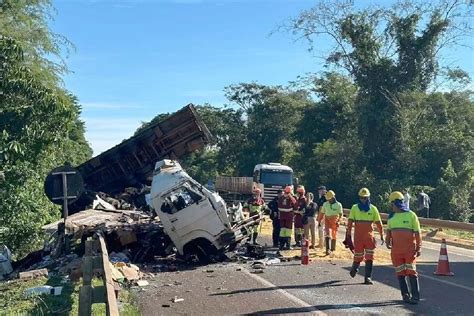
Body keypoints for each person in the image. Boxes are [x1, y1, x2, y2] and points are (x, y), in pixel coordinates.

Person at [386, 191, 422, 304]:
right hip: (396, 251)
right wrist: (387, 241)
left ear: (396, 203)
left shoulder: (411, 215)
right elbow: (389, 232)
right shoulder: (391, 218)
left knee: (411, 272)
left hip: (409, 251)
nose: (390, 207)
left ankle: (415, 296)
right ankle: (405, 295)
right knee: (400, 273)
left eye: (391, 204)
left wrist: (419, 247)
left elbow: (417, 233)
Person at [346, 187, 384, 285]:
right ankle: (355, 268)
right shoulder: (354, 208)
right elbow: (349, 222)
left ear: (368, 198)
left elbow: (379, 224)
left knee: (369, 257)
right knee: (358, 255)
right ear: (359, 198)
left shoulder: (373, 209)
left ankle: (367, 277)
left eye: (365, 198)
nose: (363, 199)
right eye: (362, 197)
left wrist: (382, 235)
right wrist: (348, 234)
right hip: (358, 237)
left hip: (369, 238)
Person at [319, 190, 343, 255]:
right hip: (327, 219)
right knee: (327, 233)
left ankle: (333, 248)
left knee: (334, 234)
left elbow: (340, 214)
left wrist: (339, 221)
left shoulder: (338, 205)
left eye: (329, 199)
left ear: (333, 198)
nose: (328, 200)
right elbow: (322, 213)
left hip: (335, 220)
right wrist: (319, 220)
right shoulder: (325, 204)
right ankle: (327, 249)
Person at [278, 186, 298, 250]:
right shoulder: (292, 198)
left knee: (282, 230)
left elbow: (279, 206)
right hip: (289, 216)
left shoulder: (281, 197)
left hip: (282, 216)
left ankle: (281, 245)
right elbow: (296, 206)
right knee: (288, 231)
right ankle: (288, 245)